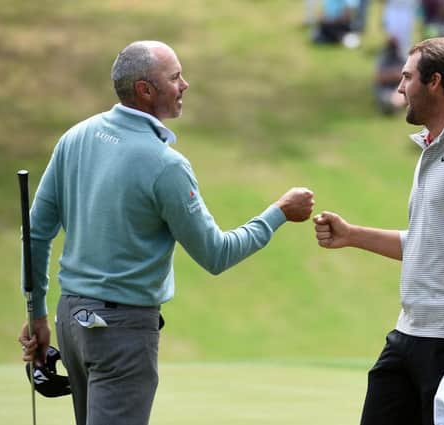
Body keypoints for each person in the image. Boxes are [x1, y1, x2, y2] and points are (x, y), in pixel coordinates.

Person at [18, 40, 315, 425]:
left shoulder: (76, 136)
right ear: (145, 90)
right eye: (175, 77)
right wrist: (278, 213)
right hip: (121, 332)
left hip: (71, 321)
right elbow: (216, 254)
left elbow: (35, 233)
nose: (185, 85)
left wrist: (37, 315)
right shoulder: (165, 165)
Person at [314, 37, 444, 425]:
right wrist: (352, 235)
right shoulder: (435, 149)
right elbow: (428, 244)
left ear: (434, 81)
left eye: (407, 78)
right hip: (411, 332)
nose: (400, 88)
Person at [374, 36, 407, 114]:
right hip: (385, 90)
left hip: (398, 89)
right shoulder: (382, 59)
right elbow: (379, 77)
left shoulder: (400, 57)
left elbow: (407, 74)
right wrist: (395, 75)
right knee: (389, 98)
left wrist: (393, 74)